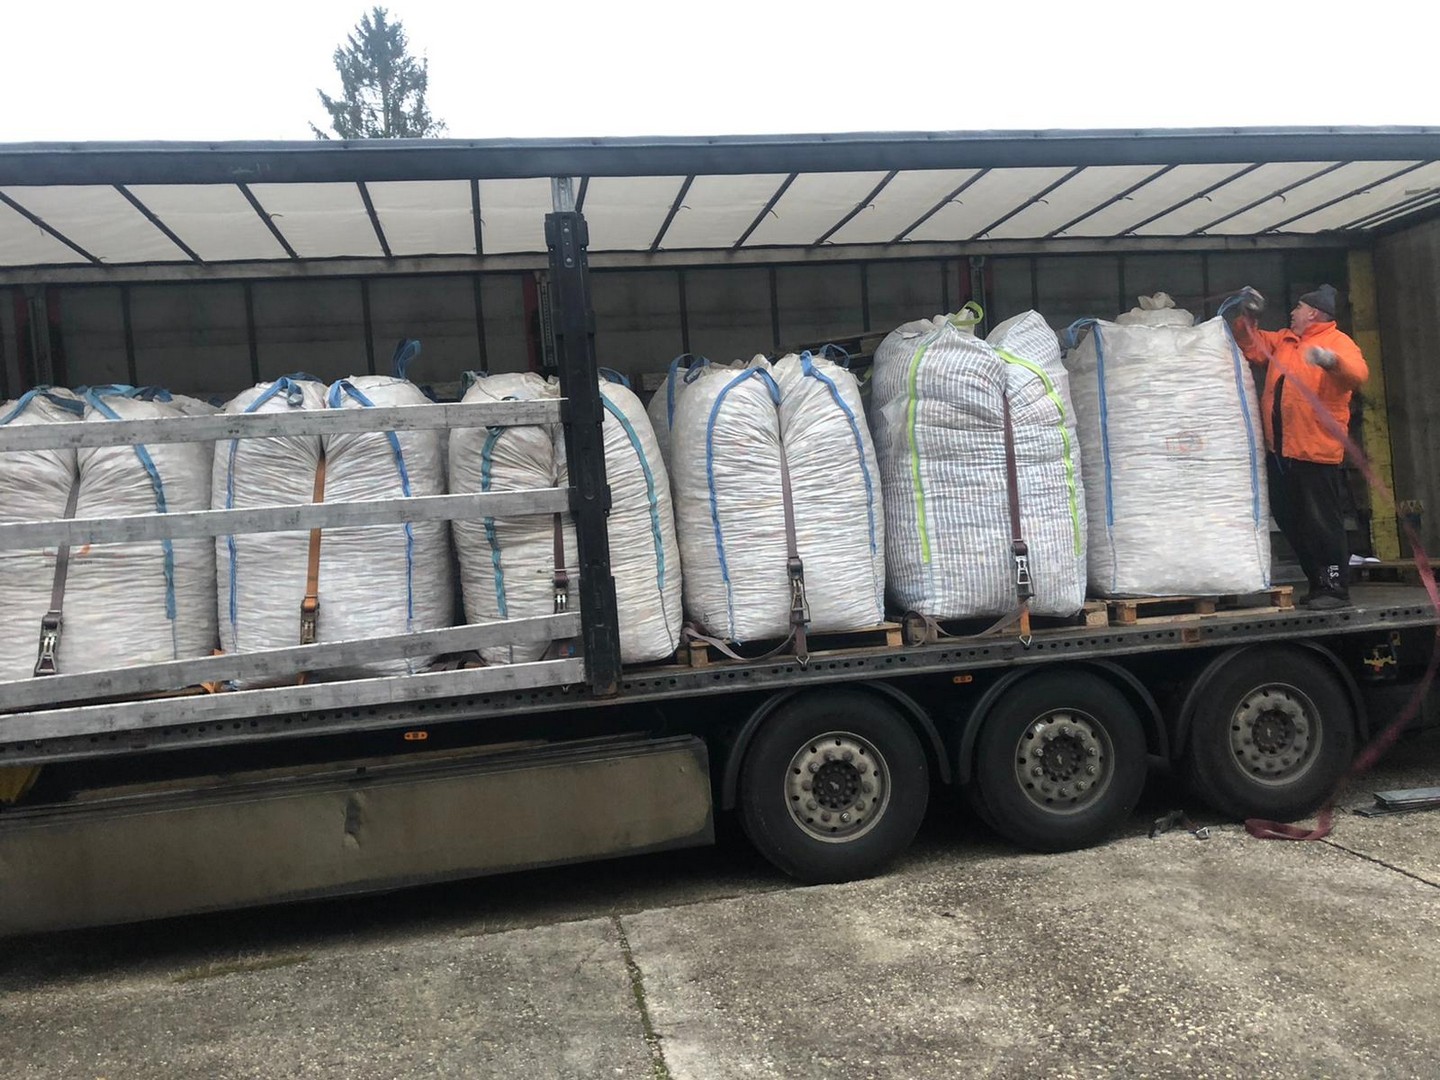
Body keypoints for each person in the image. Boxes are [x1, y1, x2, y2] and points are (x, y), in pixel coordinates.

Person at [1225, 284, 1369, 610]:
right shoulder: (1286, 341)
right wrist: (1249, 314)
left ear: (1313, 313)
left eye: (1298, 308)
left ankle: (1335, 587)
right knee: (1290, 518)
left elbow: (1357, 374)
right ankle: (1318, 582)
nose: (1292, 312)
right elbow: (1249, 342)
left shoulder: (1338, 343)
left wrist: (1330, 361)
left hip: (1315, 451)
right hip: (1281, 453)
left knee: (1322, 522)